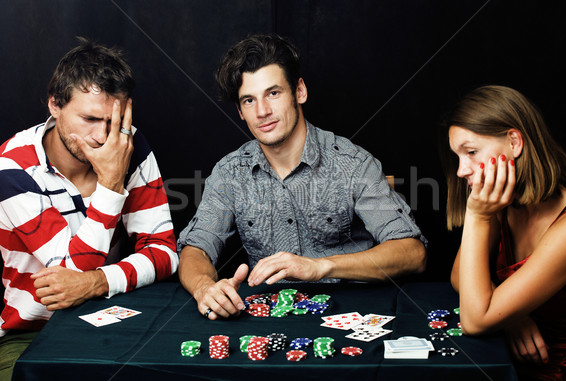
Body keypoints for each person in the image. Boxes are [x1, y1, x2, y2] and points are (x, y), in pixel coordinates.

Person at [178, 33, 427, 321]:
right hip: (268, 321)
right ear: (240, 112)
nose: (262, 112)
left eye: (273, 93)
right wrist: (203, 287)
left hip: (351, 314)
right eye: (249, 100)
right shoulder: (229, 174)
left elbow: (413, 253)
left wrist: (321, 266)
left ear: (299, 91)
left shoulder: (352, 164)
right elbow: (196, 249)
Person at [0, 38, 178, 379]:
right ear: (55, 104)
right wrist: (111, 184)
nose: (103, 137)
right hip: (29, 333)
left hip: (113, 315)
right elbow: (72, 271)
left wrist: (98, 282)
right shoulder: (13, 167)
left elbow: (165, 252)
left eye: (114, 121)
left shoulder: (129, 142)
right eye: (90, 119)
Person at [442, 85, 566, 380]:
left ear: (514, 142)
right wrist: (511, 317)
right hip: (512, 362)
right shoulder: (507, 203)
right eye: (458, 158)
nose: (462, 170)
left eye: (472, 152)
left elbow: (476, 321)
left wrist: (477, 215)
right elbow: (457, 275)